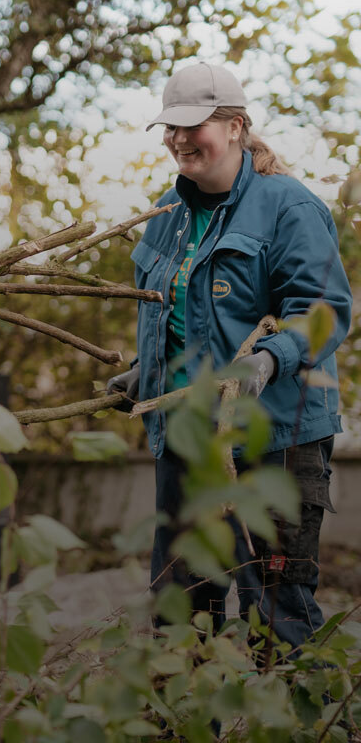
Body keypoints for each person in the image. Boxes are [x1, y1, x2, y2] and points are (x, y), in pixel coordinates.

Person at [107, 62, 352, 649]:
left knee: (278, 613)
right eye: (170, 127)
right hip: (189, 442)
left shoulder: (288, 207)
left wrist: (268, 359)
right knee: (181, 611)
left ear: (237, 126)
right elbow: (179, 317)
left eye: (194, 126)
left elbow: (325, 311)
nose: (179, 139)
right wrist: (148, 371)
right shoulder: (167, 214)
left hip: (276, 445)